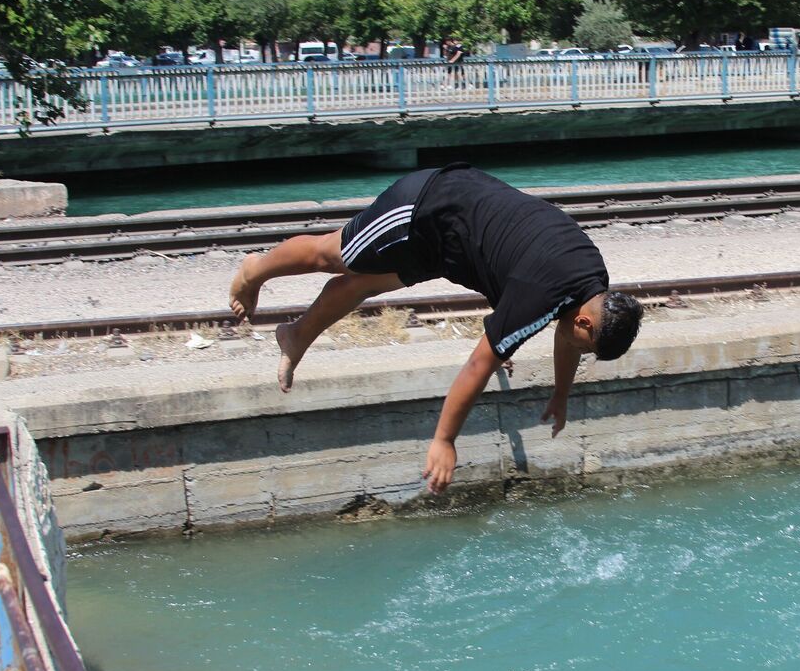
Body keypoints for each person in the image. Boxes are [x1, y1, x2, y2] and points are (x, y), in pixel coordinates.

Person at [229, 163, 643, 493]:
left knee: (366, 284)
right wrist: (444, 440)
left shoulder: (592, 284)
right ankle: (255, 270)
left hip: (450, 239)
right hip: (426, 207)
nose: (574, 347)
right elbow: (478, 366)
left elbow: (563, 331)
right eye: (584, 346)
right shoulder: (545, 296)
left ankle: (296, 336)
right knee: (333, 256)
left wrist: (561, 393)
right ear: (586, 322)